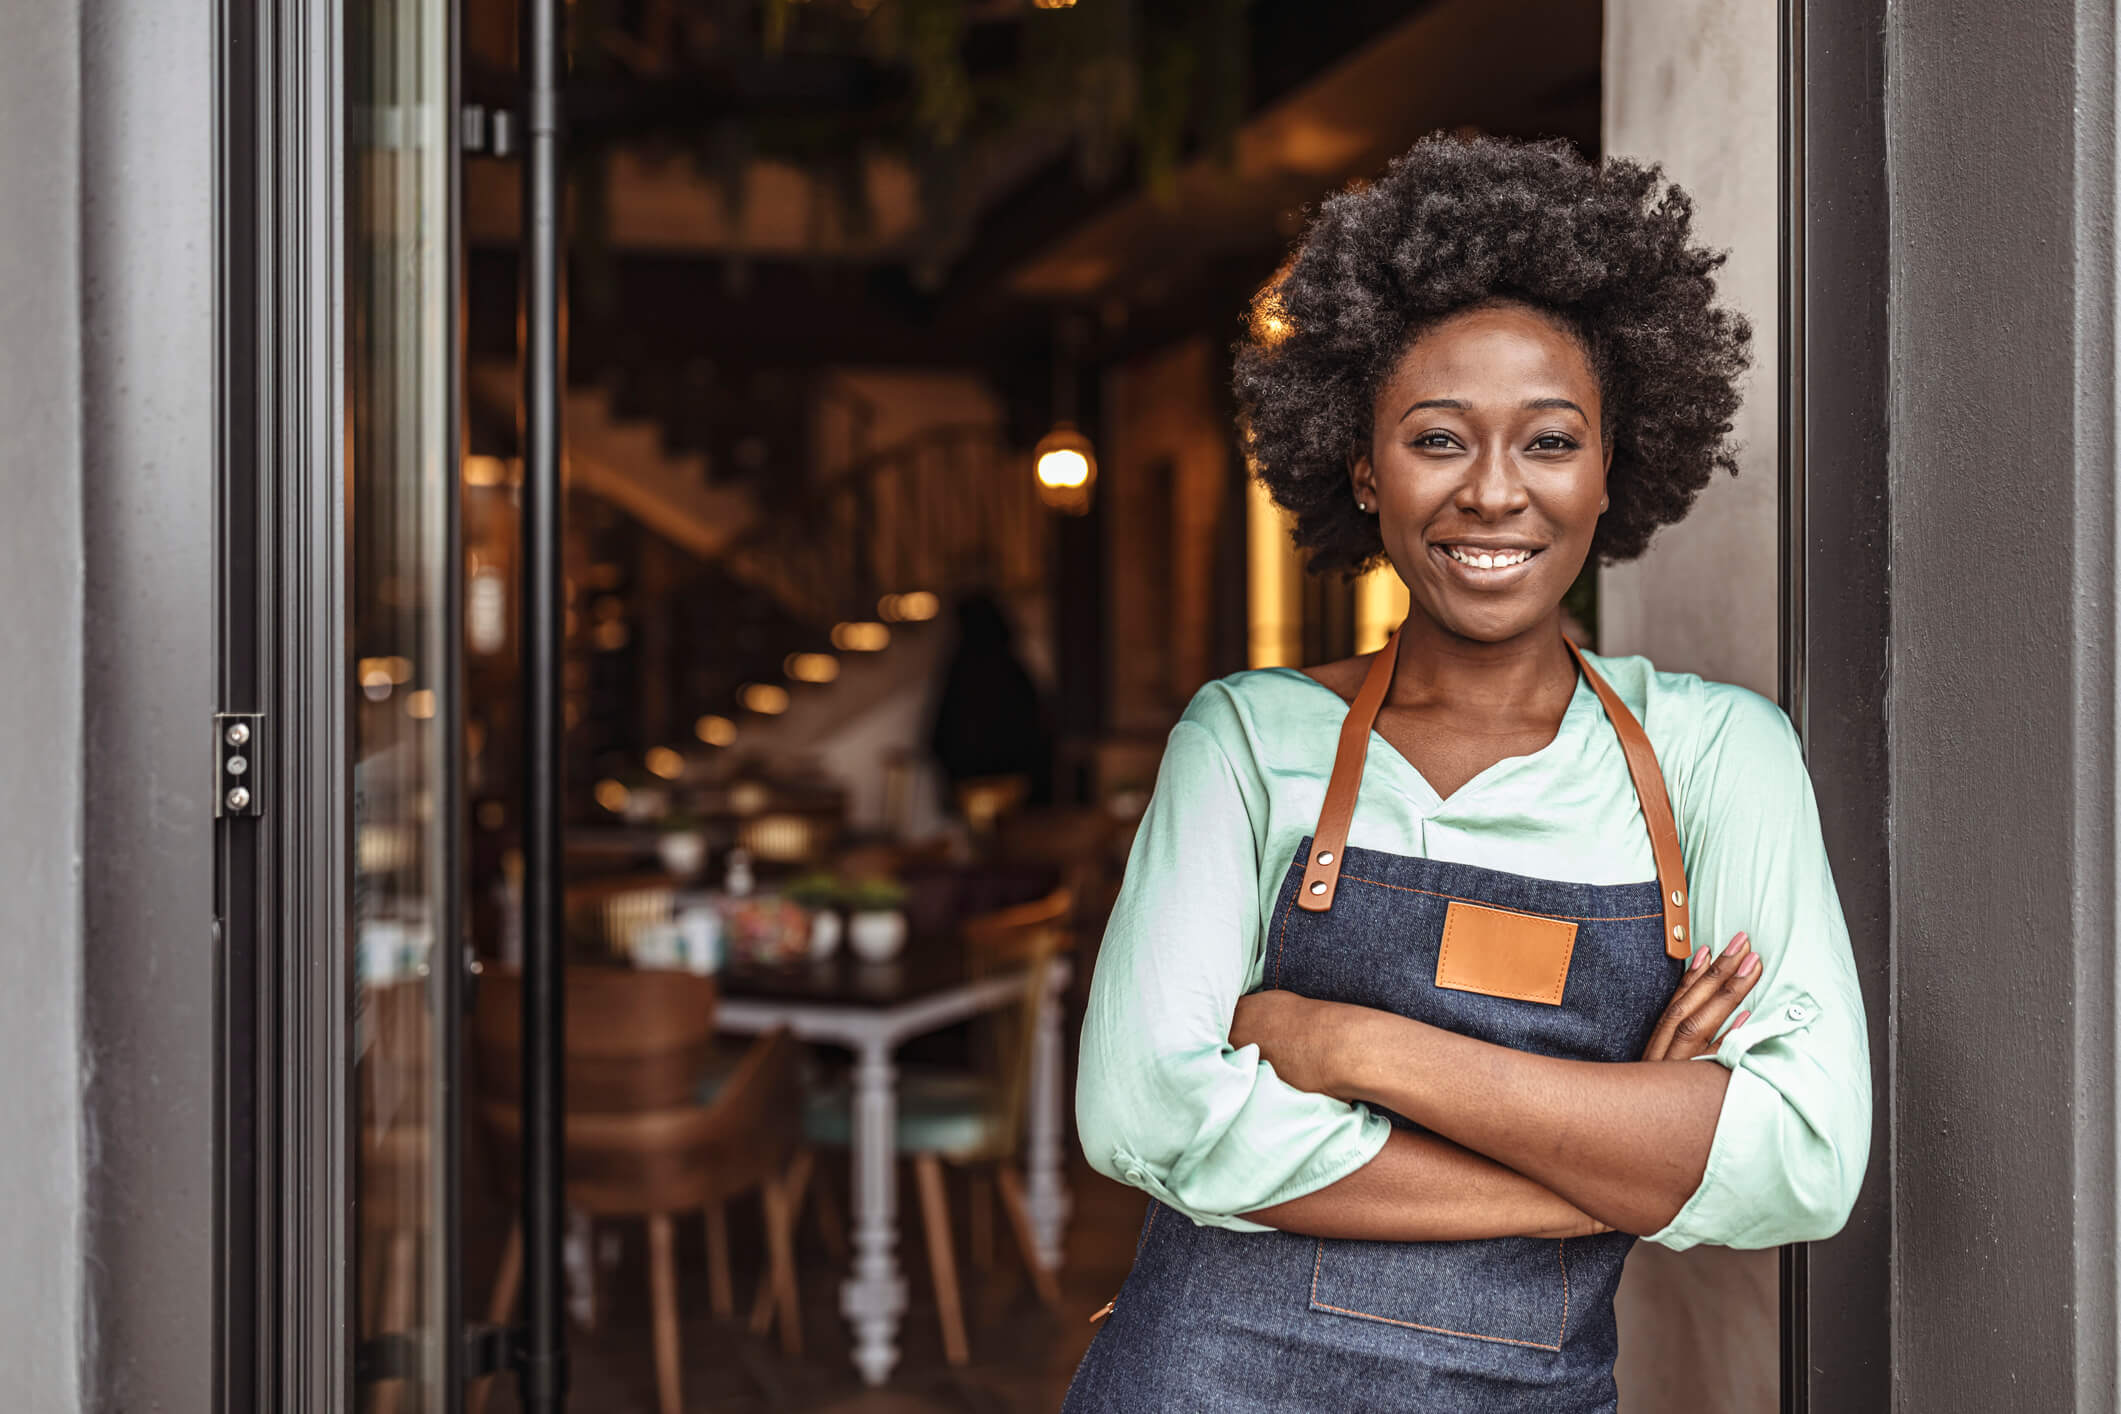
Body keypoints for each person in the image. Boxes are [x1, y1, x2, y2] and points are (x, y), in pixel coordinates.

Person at [1064, 134, 1869, 1413]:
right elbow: (1146, 1113)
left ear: (1612, 467)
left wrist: (1347, 1042)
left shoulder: (1719, 754)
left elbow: (1806, 1161)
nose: (1494, 493)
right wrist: (1625, 1157)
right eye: (1438, 438)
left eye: (1550, 441)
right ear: (1361, 470)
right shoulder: (1246, 740)